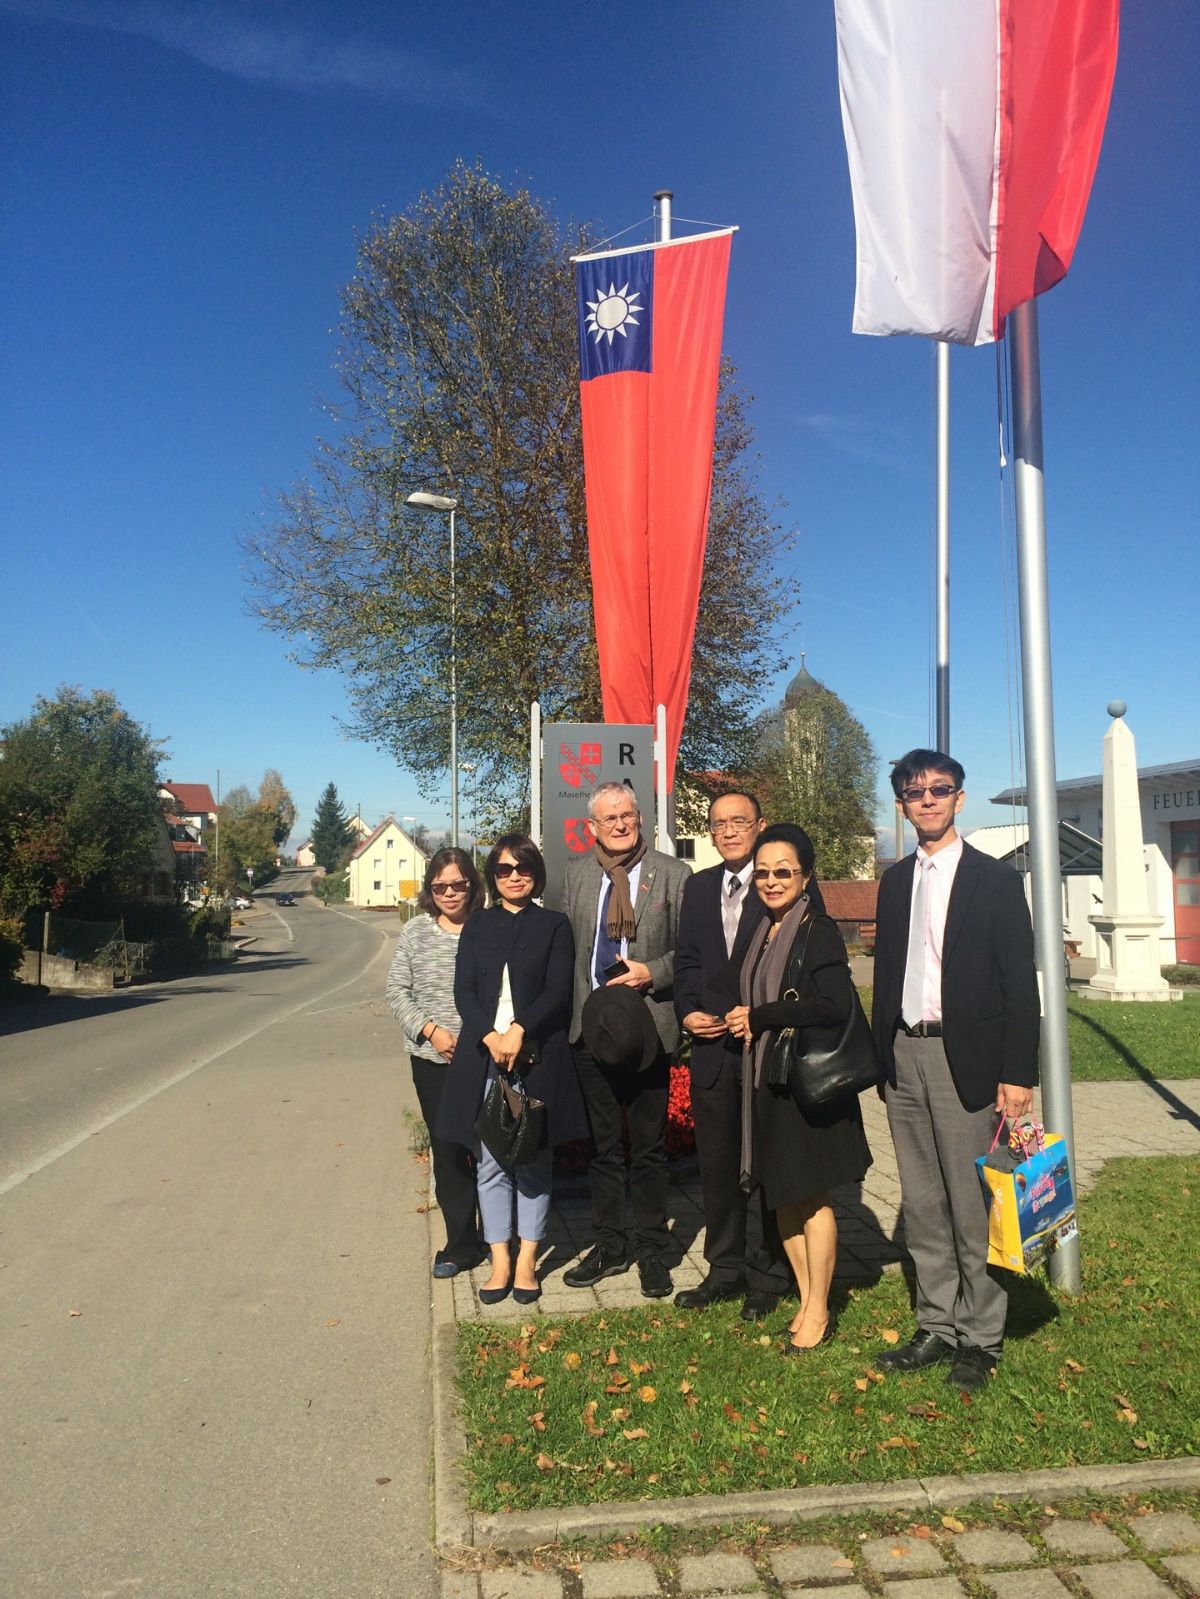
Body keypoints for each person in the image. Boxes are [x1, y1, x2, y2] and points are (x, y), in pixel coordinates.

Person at [872, 750, 1039, 1391]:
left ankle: (981, 1337)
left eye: (941, 790)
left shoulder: (994, 881)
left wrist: (1017, 1073)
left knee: (974, 1206)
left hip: (965, 1058)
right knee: (922, 1200)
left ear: (960, 799)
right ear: (903, 804)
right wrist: (880, 1052)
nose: (929, 800)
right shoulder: (893, 882)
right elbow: (888, 973)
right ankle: (937, 1324)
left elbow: (1019, 986)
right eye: (916, 793)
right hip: (904, 1056)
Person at [724, 823, 872, 1353]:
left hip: (807, 1084)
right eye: (762, 872)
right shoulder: (764, 927)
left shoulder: (818, 930)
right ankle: (809, 1297)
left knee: (811, 1197)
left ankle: (818, 1309)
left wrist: (761, 1015)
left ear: (805, 875)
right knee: (783, 1195)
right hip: (768, 1079)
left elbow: (832, 1004)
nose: (771, 881)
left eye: (783, 871)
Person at [435, 834, 588, 1306]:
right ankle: (499, 1257)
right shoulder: (478, 926)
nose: (514, 877)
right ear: (493, 877)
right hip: (484, 1057)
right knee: (491, 1163)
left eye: (522, 868)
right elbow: (465, 992)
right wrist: (489, 1035)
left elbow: (559, 991)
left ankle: (527, 1260)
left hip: (535, 1055)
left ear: (535, 873)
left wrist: (520, 1031)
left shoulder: (554, 925)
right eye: (503, 870)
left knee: (534, 1162)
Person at [561, 782, 691, 1299]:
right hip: (590, 1031)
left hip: (648, 1031)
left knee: (650, 1149)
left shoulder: (674, 875)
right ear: (591, 826)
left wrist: (651, 972)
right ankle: (611, 1245)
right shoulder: (575, 876)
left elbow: (691, 953)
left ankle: (653, 1249)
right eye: (609, 817)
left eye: (628, 815)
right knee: (604, 1148)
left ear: (641, 819)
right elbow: (565, 949)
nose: (619, 824)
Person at [673, 791, 790, 1321]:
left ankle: (768, 1272)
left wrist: (754, 1013)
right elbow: (689, 960)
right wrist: (687, 1012)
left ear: (759, 825)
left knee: (764, 1159)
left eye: (739, 821)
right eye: (719, 824)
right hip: (711, 1049)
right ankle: (724, 1268)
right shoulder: (698, 888)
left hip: (761, 1046)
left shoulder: (779, 885)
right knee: (717, 1163)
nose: (729, 831)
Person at [385, 846, 487, 1279]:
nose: (450, 892)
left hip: (485, 1059)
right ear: (430, 888)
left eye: (458, 884)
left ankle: (500, 1235)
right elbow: (396, 991)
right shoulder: (416, 933)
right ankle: (462, 1244)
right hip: (433, 1061)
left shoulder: (488, 928)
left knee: (492, 1150)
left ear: (472, 885)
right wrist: (432, 1032)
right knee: (448, 1153)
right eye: (440, 885)